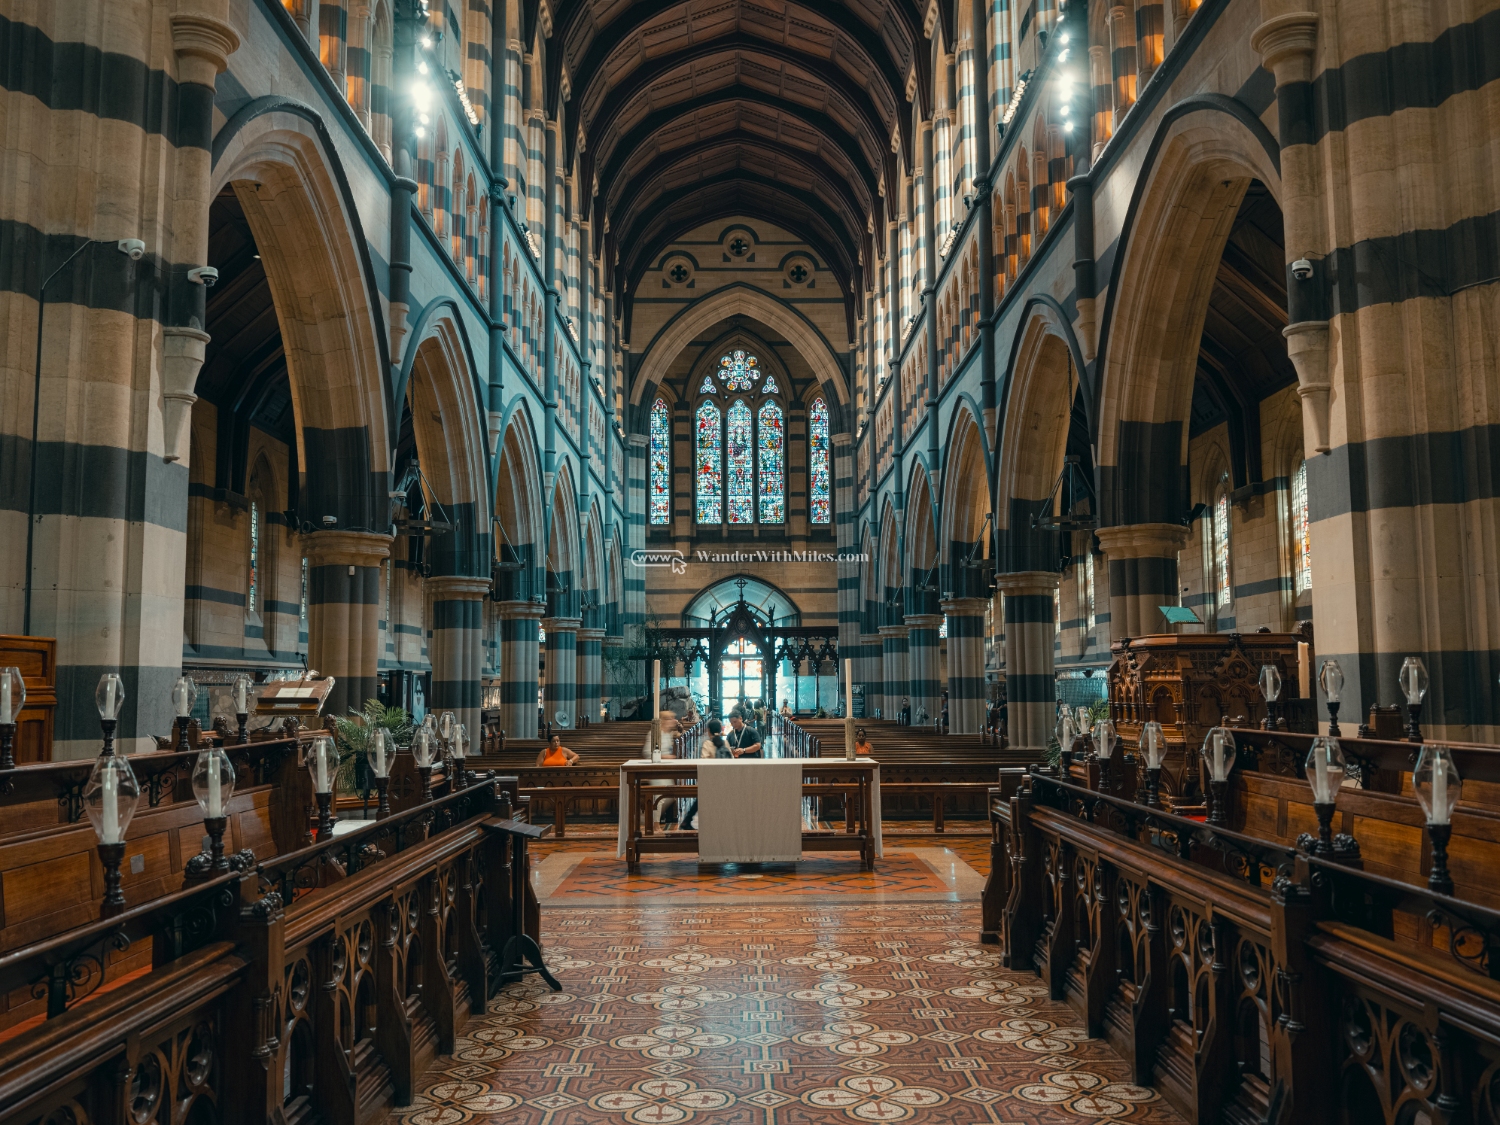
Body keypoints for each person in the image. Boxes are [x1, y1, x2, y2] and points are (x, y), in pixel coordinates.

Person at [676, 720, 731, 831]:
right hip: (724, 778)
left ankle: (688, 820)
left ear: (709, 731)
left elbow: (703, 760)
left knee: (701, 799)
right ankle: (721, 823)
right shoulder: (725, 743)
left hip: (710, 778)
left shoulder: (707, 743)